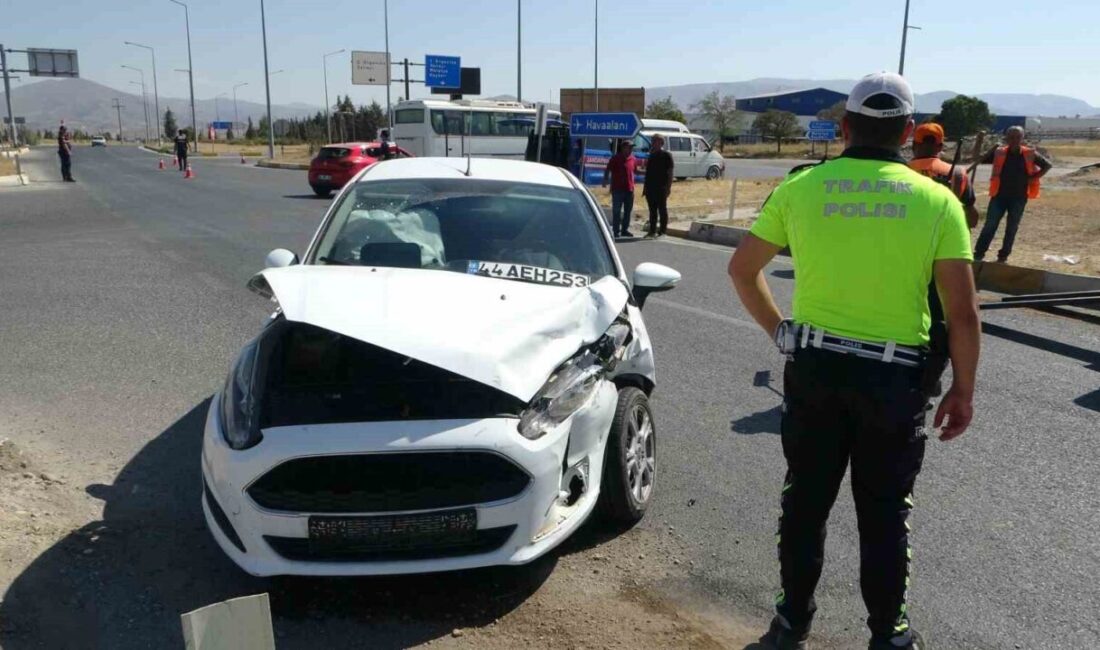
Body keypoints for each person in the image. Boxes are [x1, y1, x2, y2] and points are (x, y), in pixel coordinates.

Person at [728, 72, 980, 650]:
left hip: (814, 369)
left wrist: (781, 334)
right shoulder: (938, 200)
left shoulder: (801, 188)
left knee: (805, 501)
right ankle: (888, 637)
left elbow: (742, 269)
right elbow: (962, 314)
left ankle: (791, 622)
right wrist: (962, 389)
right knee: (885, 513)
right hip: (894, 381)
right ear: (909, 132)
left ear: (845, 127)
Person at [967, 126, 1051, 263]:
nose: (1014, 140)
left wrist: (1034, 177)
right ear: (1006, 138)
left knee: (1011, 227)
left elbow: (1047, 165)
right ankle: (979, 254)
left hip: (1019, 197)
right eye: (1011, 137)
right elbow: (977, 158)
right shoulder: (999, 153)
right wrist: (978, 141)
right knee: (990, 225)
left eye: (1018, 137)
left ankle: (1003, 256)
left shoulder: (1029, 154)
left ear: (1022, 138)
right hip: (999, 196)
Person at [908, 123, 979, 228]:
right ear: (940, 147)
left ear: (913, 145)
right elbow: (972, 220)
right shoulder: (957, 173)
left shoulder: (899, 170)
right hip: (942, 238)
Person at [602, 139, 637, 238]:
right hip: (617, 189)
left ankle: (625, 230)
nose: (630, 149)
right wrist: (605, 180)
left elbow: (635, 171)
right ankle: (616, 231)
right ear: (623, 148)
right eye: (628, 147)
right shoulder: (616, 158)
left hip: (629, 189)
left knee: (627, 211)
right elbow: (608, 169)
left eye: (631, 148)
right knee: (616, 211)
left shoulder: (633, 159)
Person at [642, 133, 674, 237]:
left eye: (656, 141)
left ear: (661, 143)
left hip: (661, 188)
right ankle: (652, 230)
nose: (654, 143)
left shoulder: (666, 155)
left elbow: (670, 172)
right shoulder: (651, 155)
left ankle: (663, 231)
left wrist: (668, 187)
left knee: (662, 210)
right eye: (653, 141)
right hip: (650, 188)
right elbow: (648, 173)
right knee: (652, 211)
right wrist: (645, 188)